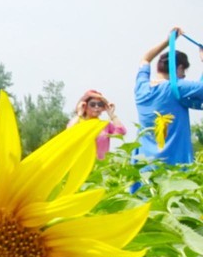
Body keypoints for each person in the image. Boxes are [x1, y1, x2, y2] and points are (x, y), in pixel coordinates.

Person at [133, 27, 203, 165]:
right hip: (175, 168)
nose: (183, 76)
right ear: (179, 68)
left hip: (144, 168)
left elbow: (145, 59)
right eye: (184, 72)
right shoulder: (177, 87)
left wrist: (168, 40)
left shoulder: (141, 88)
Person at [66, 89, 126, 159]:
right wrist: (79, 113)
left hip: (100, 166)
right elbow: (69, 131)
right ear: (85, 106)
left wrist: (112, 115)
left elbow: (121, 131)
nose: (96, 107)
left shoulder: (104, 125)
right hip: (81, 163)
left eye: (100, 104)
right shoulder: (78, 122)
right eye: (92, 104)